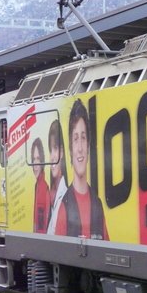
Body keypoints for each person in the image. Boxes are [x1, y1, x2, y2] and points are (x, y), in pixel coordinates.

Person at [53, 100, 109, 240]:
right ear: (70, 150)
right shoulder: (64, 206)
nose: (79, 148)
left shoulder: (98, 204)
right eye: (75, 139)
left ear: (88, 146)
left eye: (83, 138)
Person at [45, 119, 68, 235]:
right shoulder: (51, 195)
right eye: (50, 150)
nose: (52, 157)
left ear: (62, 152)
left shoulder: (65, 196)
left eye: (55, 148)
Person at [31, 138, 50, 234]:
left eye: (38, 159)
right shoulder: (37, 186)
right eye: (33, 159)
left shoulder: (43, 189)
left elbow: (41, 228)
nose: (35, 164)